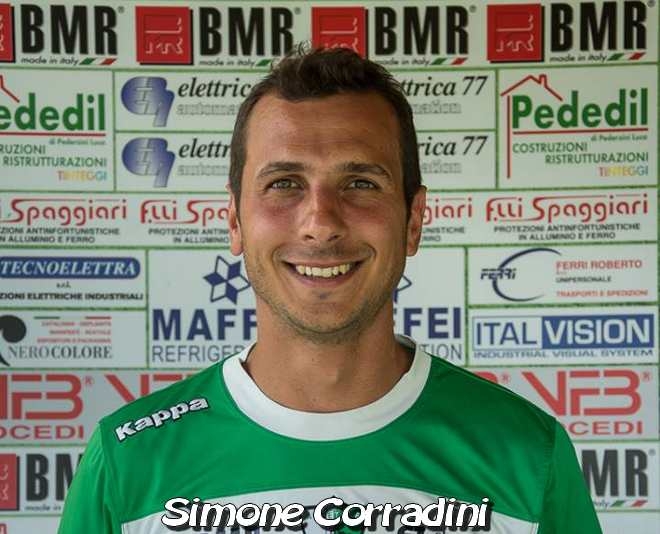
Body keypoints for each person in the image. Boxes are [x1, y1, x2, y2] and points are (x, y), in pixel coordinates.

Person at [58, 46, 601, 534]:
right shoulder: (128, 460)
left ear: (413, 221)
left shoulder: (526, 455)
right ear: (235, 220)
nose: (320, 223)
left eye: (360, 183)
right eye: (284, 184)